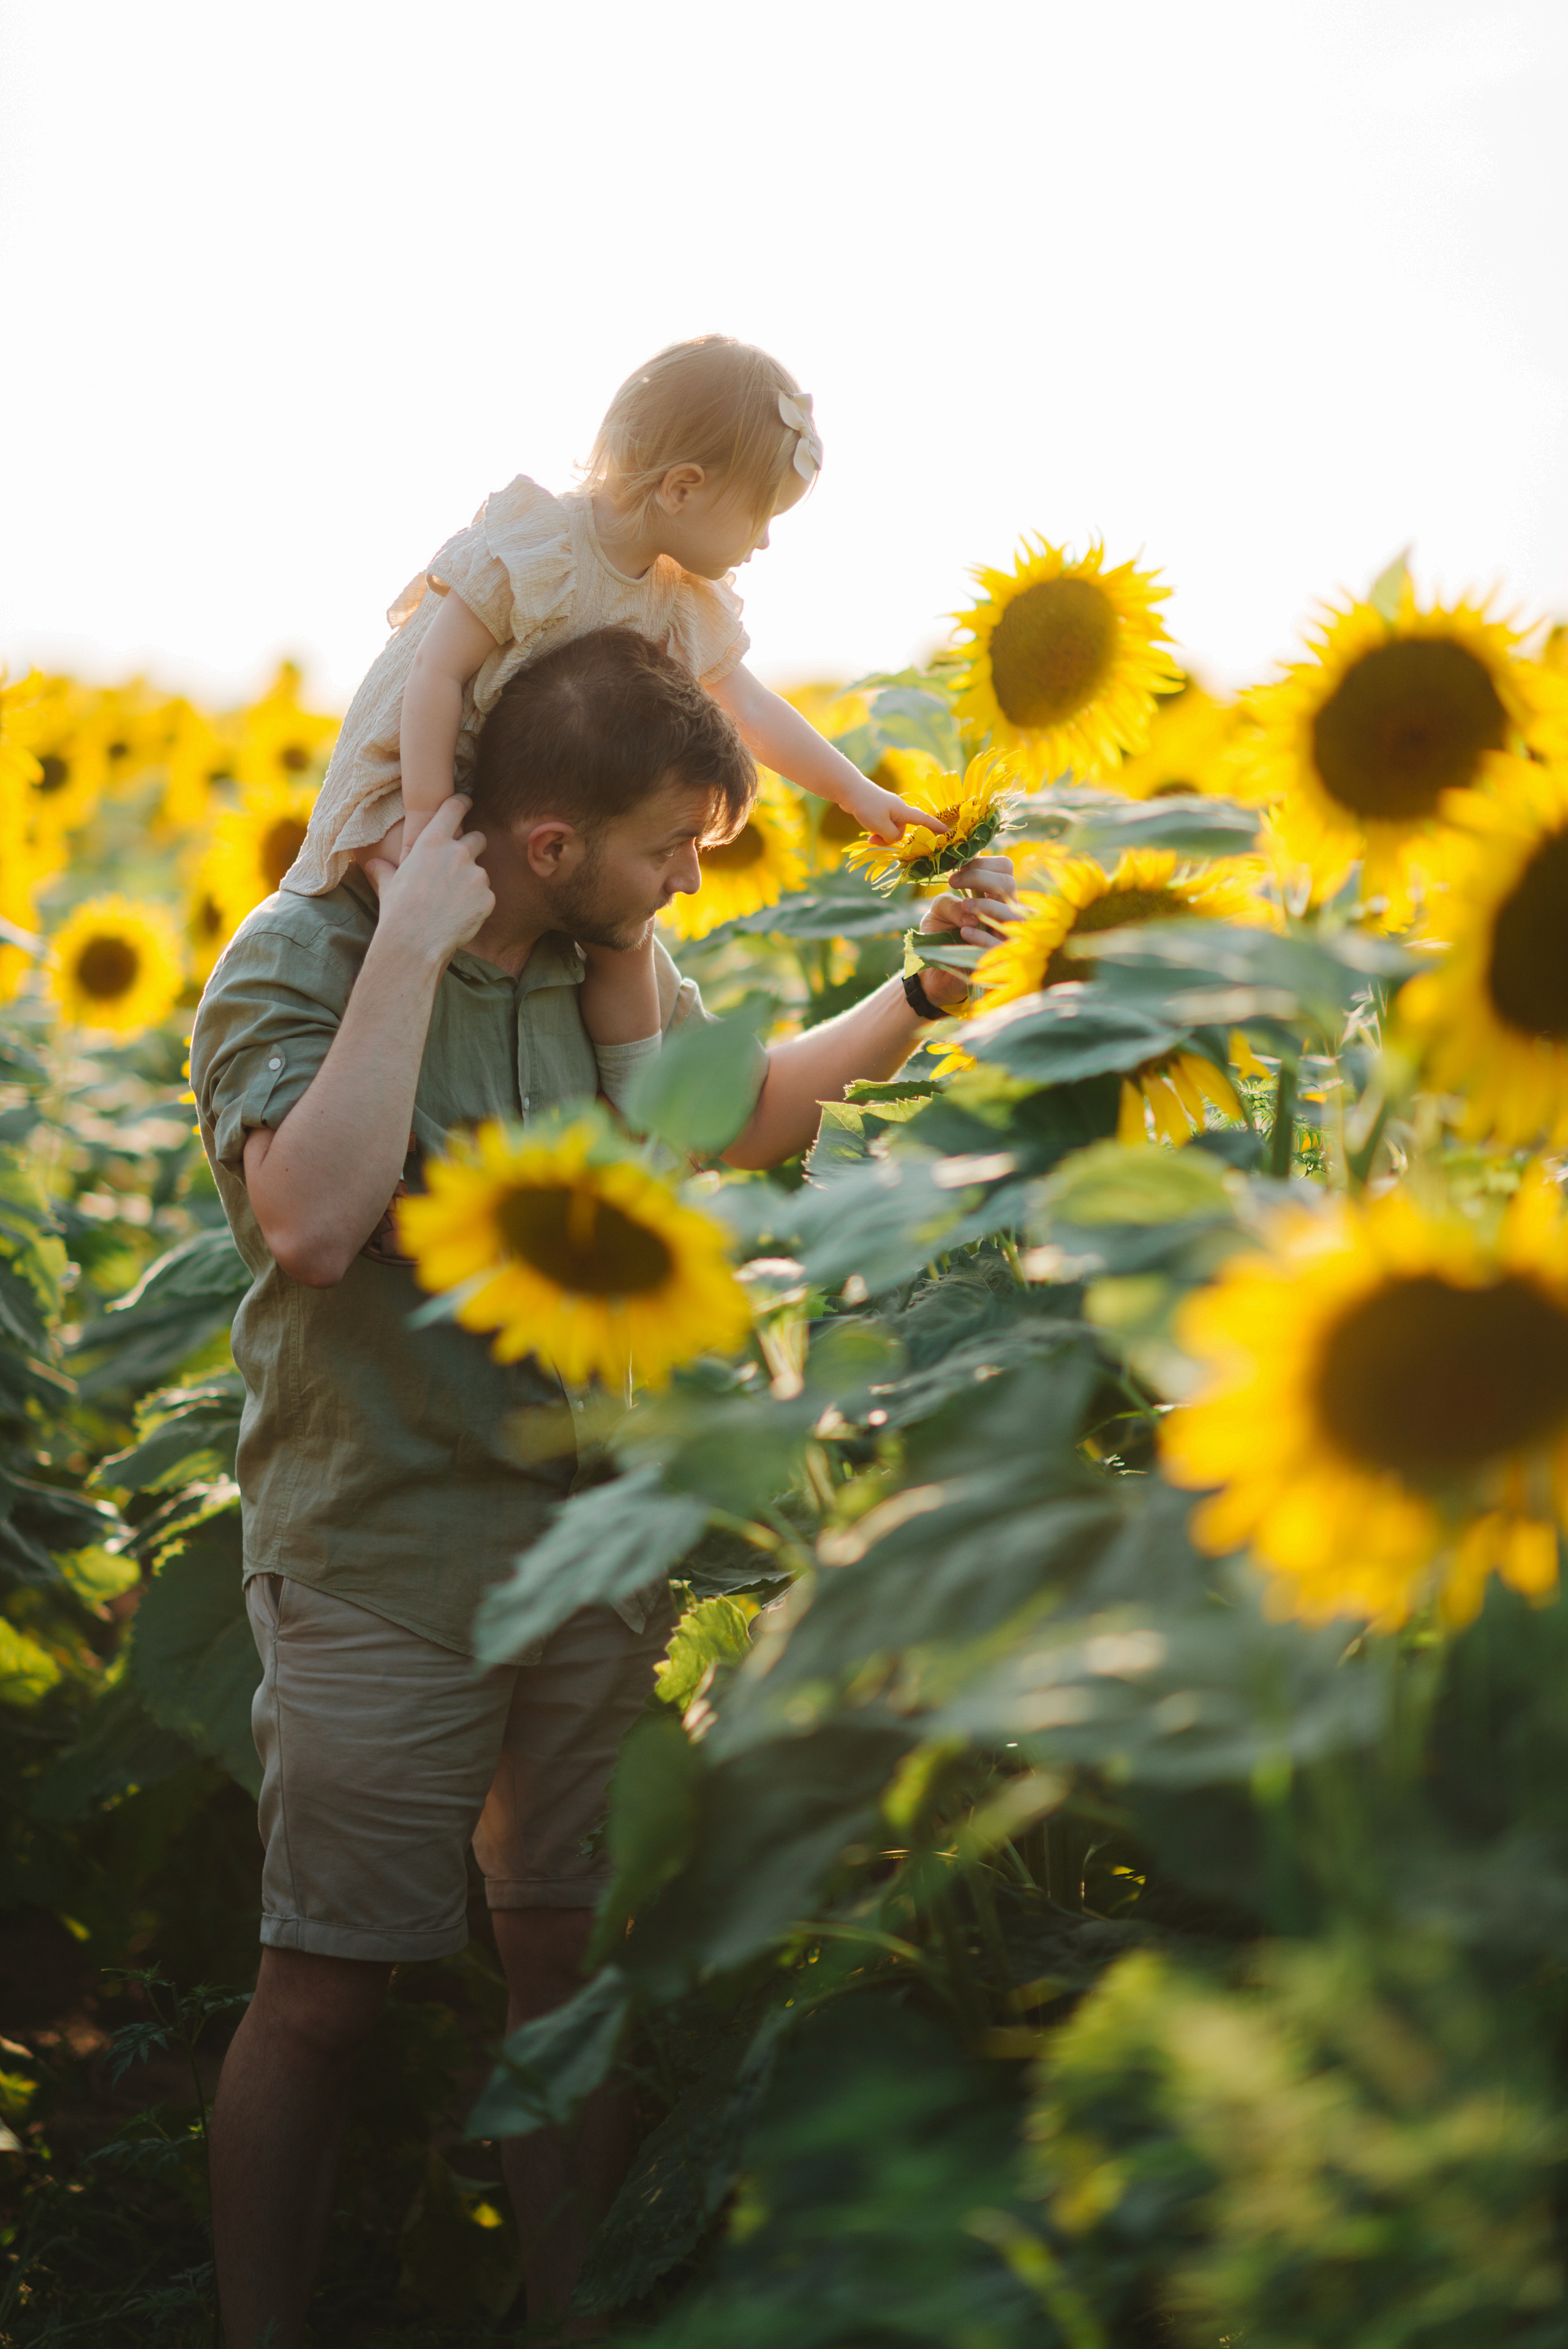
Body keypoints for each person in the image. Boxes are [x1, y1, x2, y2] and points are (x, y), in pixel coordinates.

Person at [192, 627, 1015, 2348]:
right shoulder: (301, 955)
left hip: (592, 1548)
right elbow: (313, 1221)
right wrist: (413, 945)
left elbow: (737, 1116)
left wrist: (923, 990)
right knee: (327, 1993)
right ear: (548, 842)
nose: (686, 878)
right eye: (664, 846)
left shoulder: (608, 960)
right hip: (383, 1550)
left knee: (565, 1986)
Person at [283, 334, 943, 1112]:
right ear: (683, 488)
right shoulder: (542, 545)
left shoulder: (675, 594)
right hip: (414, 771)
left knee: (624, 937)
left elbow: (755, 709)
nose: (762, 542)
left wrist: (856, 792)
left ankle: (647, 1123)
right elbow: (436, 674)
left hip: (530, 807)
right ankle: (395, 1108)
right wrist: (430, 822)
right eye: (761, 517)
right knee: (422, 919)